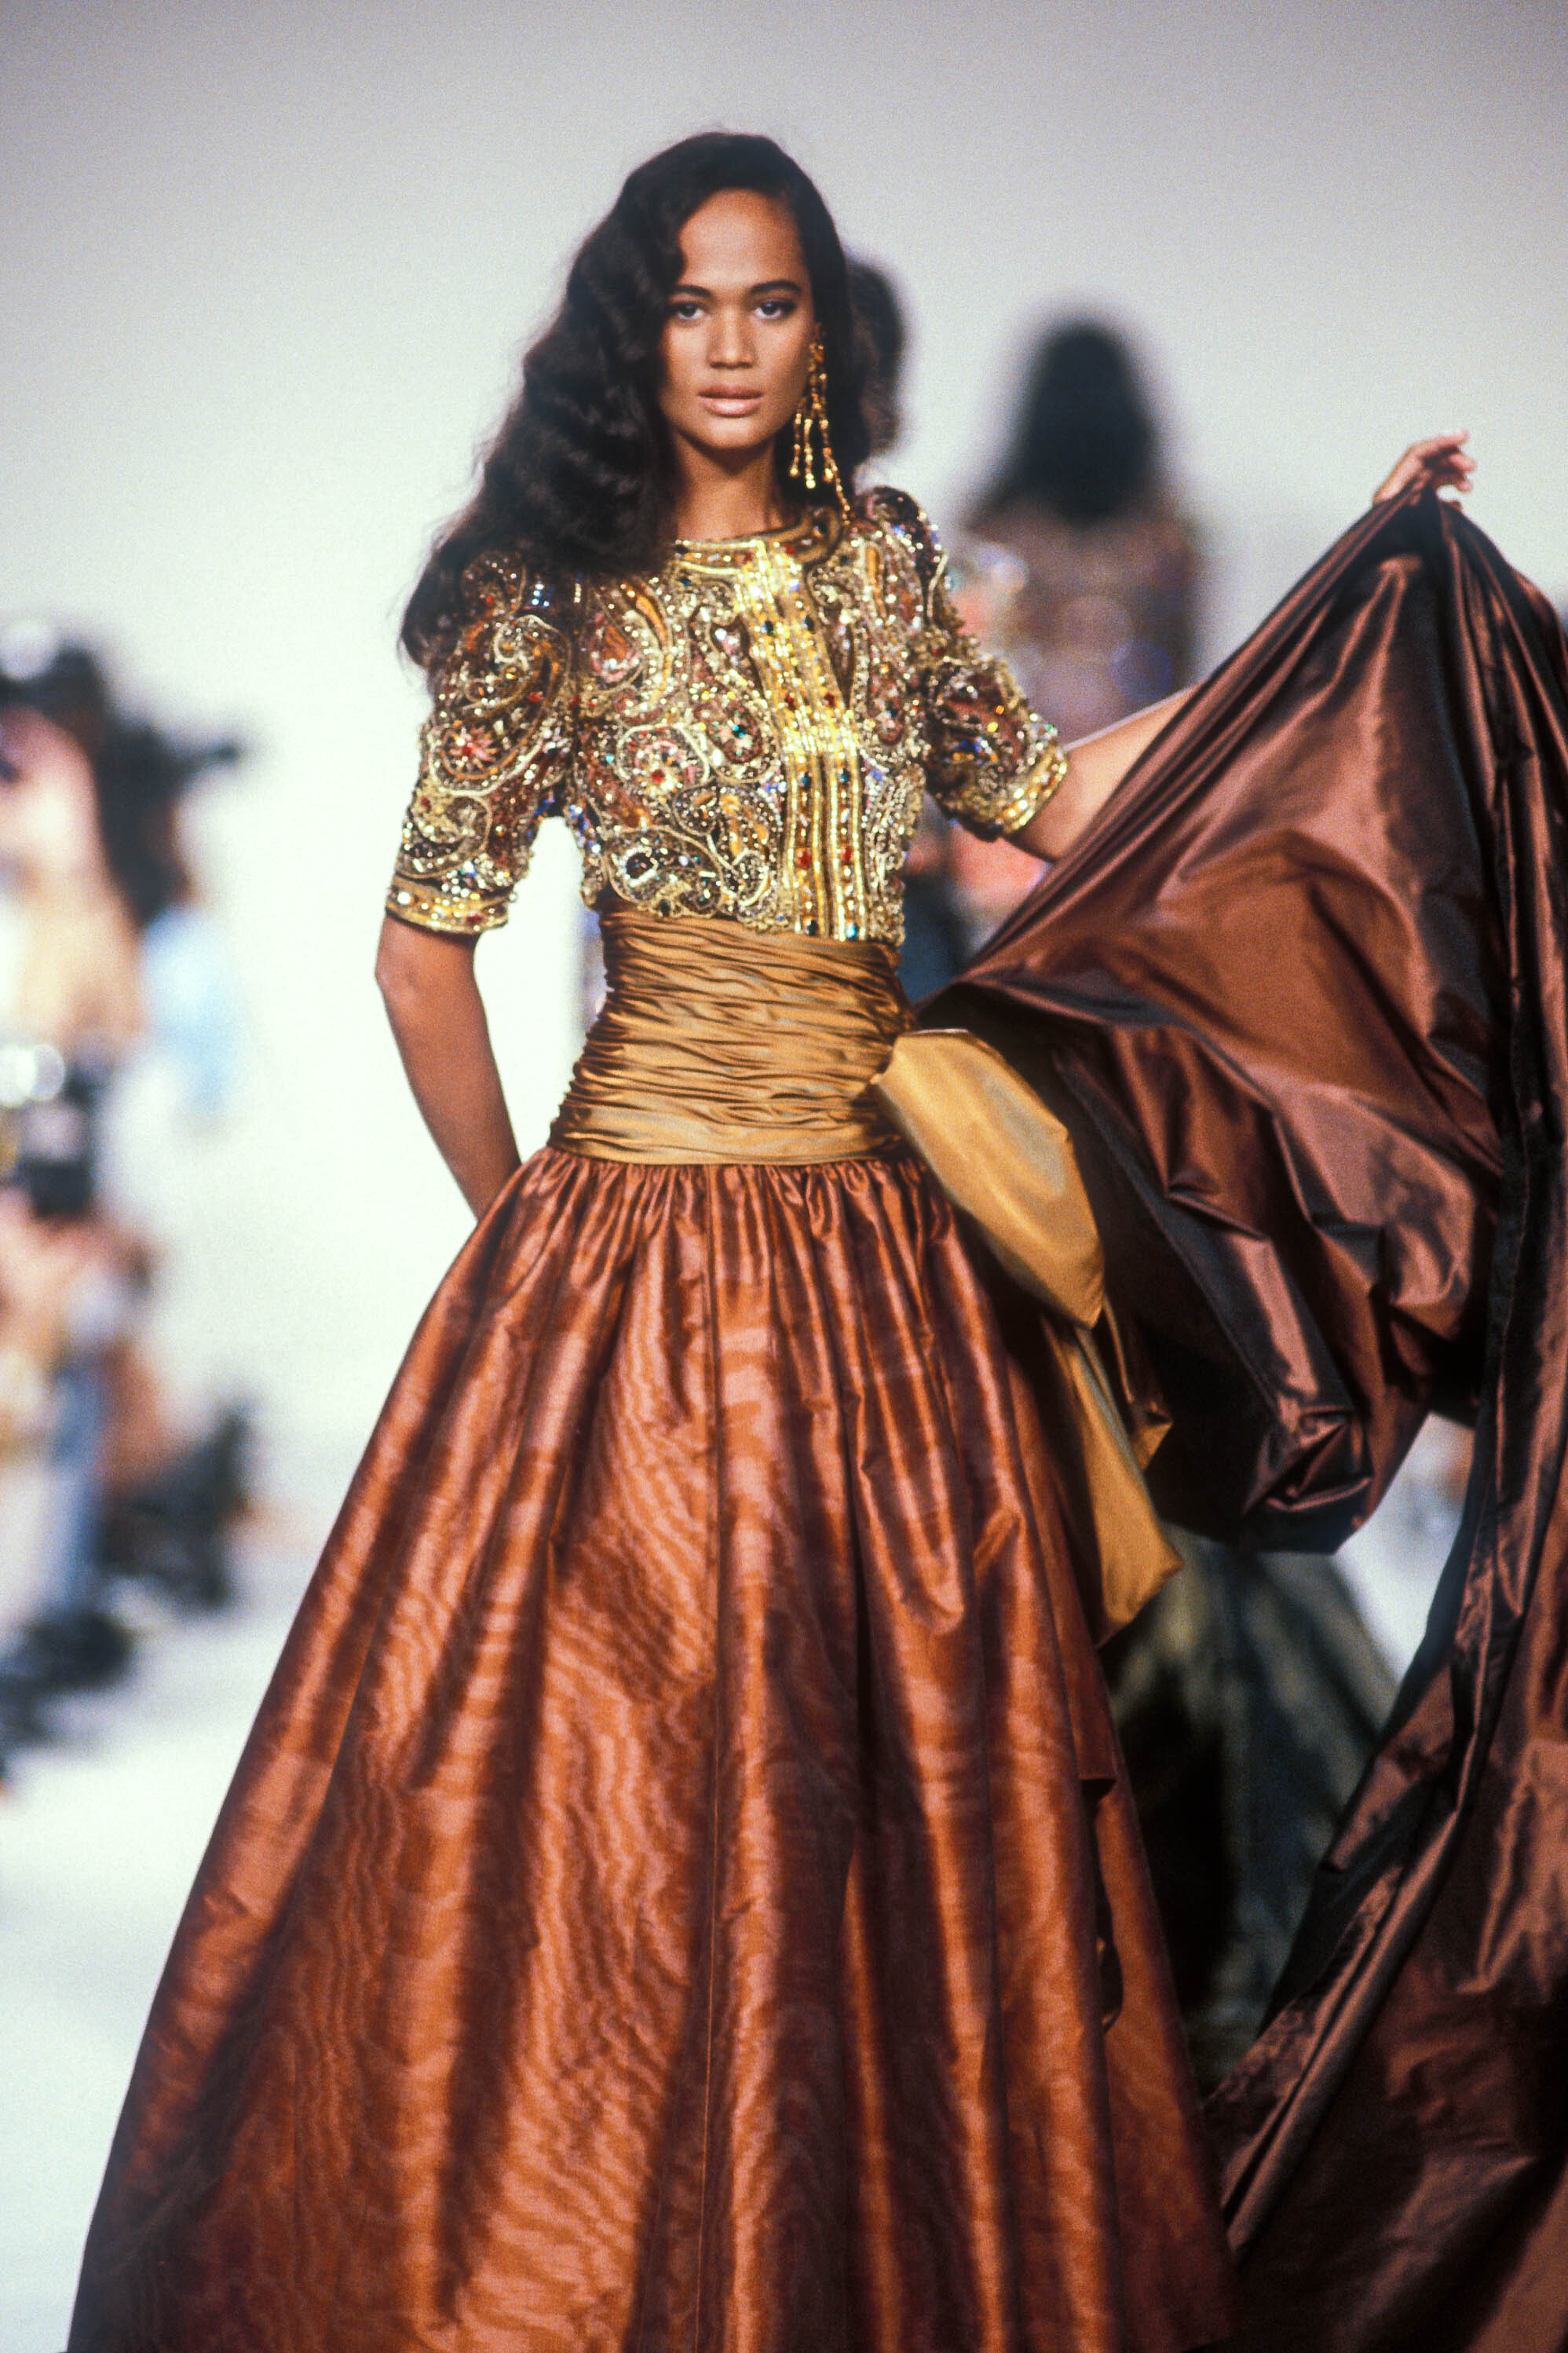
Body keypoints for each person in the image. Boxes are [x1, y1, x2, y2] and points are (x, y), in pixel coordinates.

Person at [67, 133, 1474, 2353]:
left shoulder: (881, 572)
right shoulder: (550, 597)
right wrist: (530, 1233)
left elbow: (1065, 804)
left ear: (819, 329)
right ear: (640, 328)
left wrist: (1337, 619)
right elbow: (419, 961)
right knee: (640, 1786)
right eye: (693, 303)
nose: (731, 345)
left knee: (862, 1780)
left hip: (858, 1260)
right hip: (658, 1254)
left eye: (772, 301)